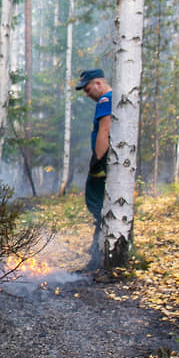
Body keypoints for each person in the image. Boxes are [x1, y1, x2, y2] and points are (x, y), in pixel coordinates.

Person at [76, 68, 111, 269]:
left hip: (104, 161)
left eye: (88, 89)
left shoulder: (105, 100)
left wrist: (97, 161)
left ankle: (99, 251)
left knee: (95, 201)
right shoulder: (113, 99)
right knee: (99, 204)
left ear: (98, 83)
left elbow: (104, 131)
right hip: (108, 160)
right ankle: (98, 251)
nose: (88, 94)